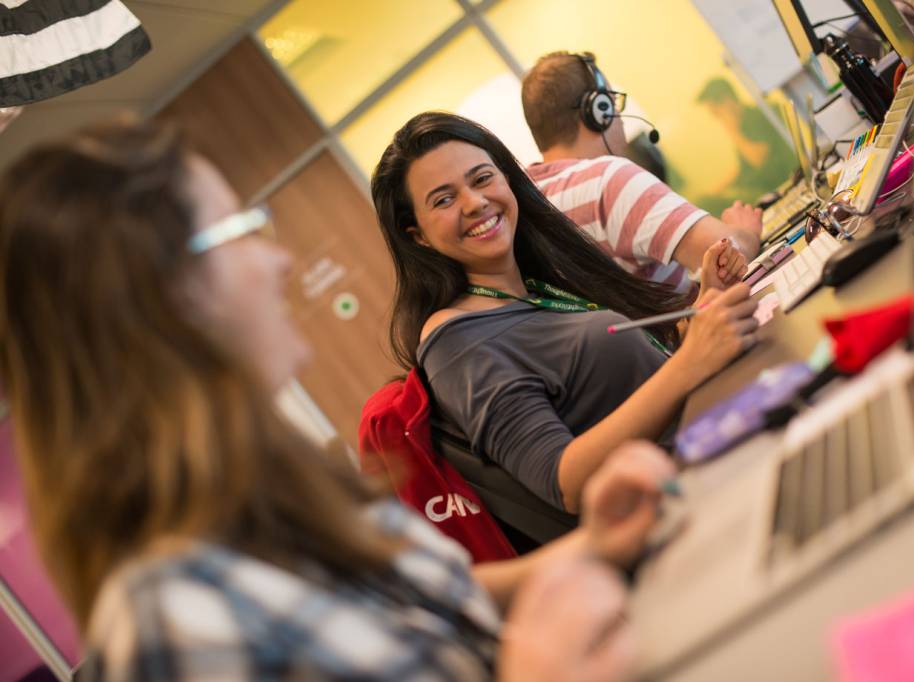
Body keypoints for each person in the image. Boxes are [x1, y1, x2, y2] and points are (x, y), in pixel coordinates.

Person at [0, 119, 682, 681]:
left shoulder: (275, 492)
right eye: (237, 233)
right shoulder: (177, 623)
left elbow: (428, 595)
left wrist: (592, 544)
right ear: (163, 307)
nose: (281, 262)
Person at [372, 111, 757, 517]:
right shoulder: (457, 342)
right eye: (444, 200)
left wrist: (704, 307)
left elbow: (612, 387)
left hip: (719, 457)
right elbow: (563, 481)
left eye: (482, 178)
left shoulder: (530, 288)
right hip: (685, 509)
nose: (475, 202)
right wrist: (692, 363)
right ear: (418, 236)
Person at [521, 51, 765, 293]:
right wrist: (746, 231)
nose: (621, 118)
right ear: (598, 110)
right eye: (613, 102)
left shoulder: (529, 200)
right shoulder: (607, 182)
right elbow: (729, 259)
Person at [695, 77, 796, 209]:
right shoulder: (743, 121)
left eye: (715, 112)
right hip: (757, 186)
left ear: (726, 102)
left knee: (707, 205)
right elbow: (744, 167)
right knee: (704, 200)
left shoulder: (754, 117)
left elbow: (759, 160)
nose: (716, 118)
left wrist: (733, 130)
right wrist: (718, 189)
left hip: (774, 186)